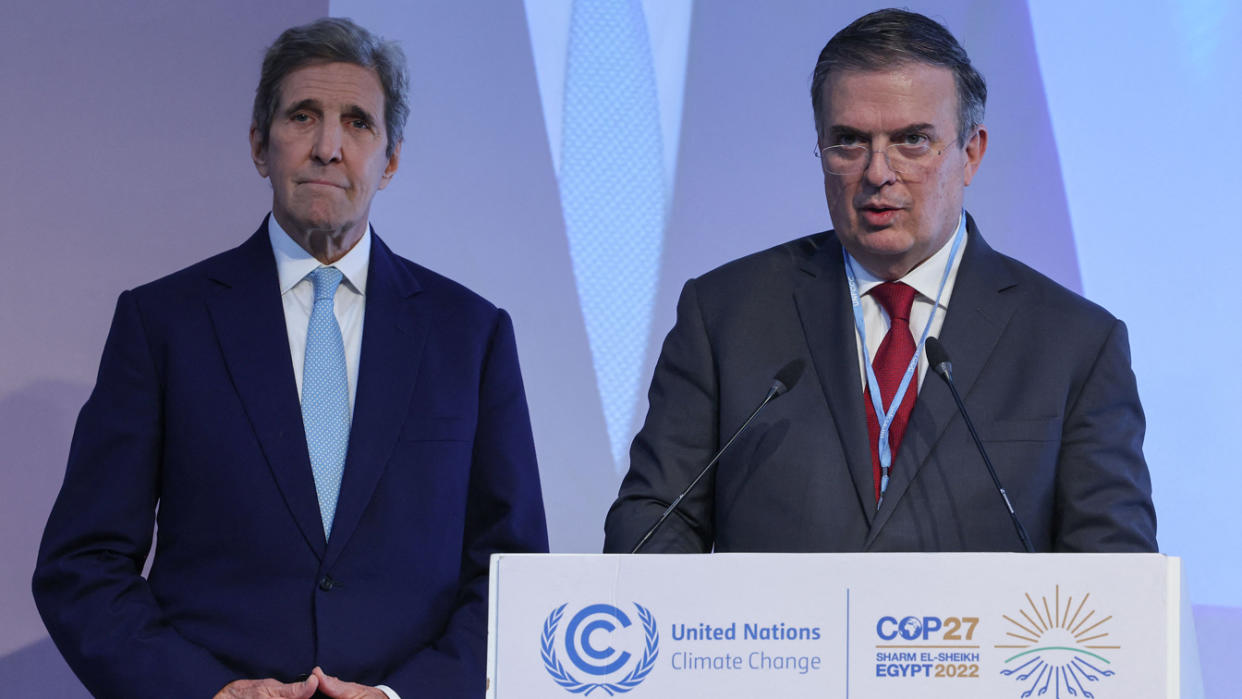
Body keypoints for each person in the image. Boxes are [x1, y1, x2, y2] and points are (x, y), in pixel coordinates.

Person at [33, 17, 547, 699]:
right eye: (303, 116)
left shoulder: (471, 335)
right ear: (259, 144)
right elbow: (82, 565)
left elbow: (513, 576)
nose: (328, 147)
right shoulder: (164, 324)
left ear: (390, 159)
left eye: (357, 122)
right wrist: (205, 692)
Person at [603, 9, 1155, 555]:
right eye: (848, 142)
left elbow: (1115, 572)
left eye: (912, 140)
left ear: (971, 153)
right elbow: (651, 526)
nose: (877, 172)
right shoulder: (724, 314)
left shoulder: (1075, 344)